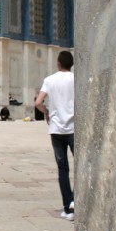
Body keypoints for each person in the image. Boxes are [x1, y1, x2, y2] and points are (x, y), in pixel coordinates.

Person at [35, 51, 75, 220]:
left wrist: (46, 112)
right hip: (74, 128)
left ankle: (68, 208)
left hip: (56, 129)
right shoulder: (76, 79)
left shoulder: (50, 80)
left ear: (58, 63)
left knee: (62, 169)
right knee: (81, 166)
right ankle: (75, 200)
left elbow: (38, 102)